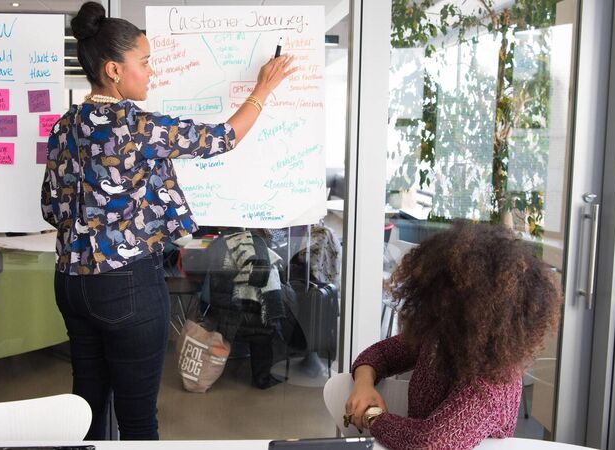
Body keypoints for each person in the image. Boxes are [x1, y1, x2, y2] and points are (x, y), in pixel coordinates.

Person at [40, 1, 297, 440]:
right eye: (144, 62)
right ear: (114, 70)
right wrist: (263, 89)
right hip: (126, 286)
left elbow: (50, 207)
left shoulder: (64, 127)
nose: (151, 71)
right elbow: (222, 138)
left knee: (87, 409)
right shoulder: (137, 126)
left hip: (70, 282)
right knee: (138, 420)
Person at [345, 221, 563, 450]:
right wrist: (363, 384)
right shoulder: (442, 337)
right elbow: (381, 353)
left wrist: (372, 417)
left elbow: (429, 443)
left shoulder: (493, 383)